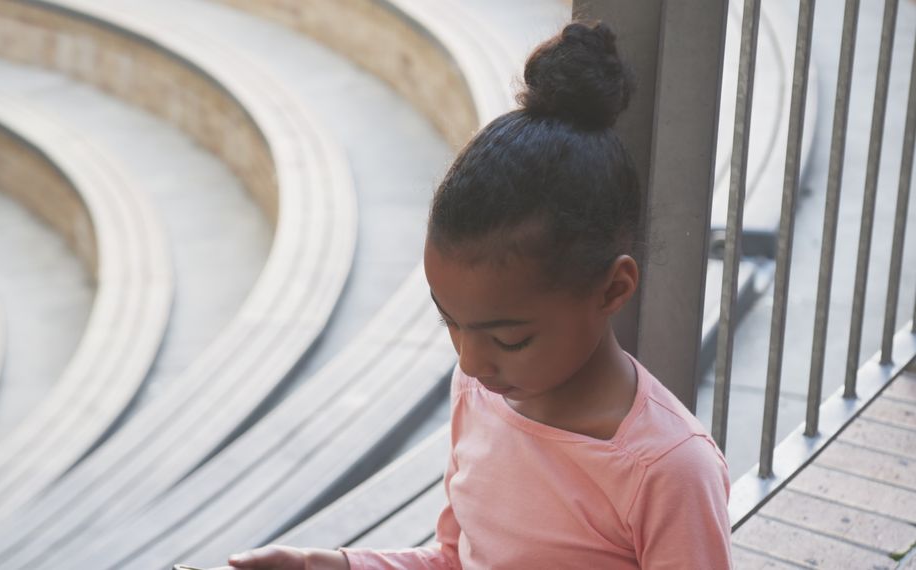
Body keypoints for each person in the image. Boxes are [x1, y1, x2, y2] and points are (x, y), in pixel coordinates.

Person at [213, 18, 732, 570]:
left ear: (613, 289)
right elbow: (454, 559)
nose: (470, 360)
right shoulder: (480, 391)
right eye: (450, 324)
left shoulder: (667, 470)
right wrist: (330, 565)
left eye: (509, 339)